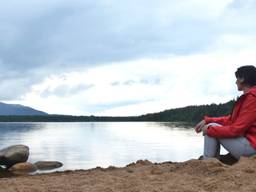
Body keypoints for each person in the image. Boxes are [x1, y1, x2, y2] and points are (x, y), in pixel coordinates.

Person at [195, 65, 256, 161]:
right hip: (250, 143)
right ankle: (210, 161)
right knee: (211, 125)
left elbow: (236, 130)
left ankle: (208, 162)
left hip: (252, 148)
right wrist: (208, 120)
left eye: (237, 78)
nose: (235, 82)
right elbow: (231, 119)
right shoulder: (249, 97)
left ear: (242, 79)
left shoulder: (252, 98)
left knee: (211, 128)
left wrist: (209, 130)